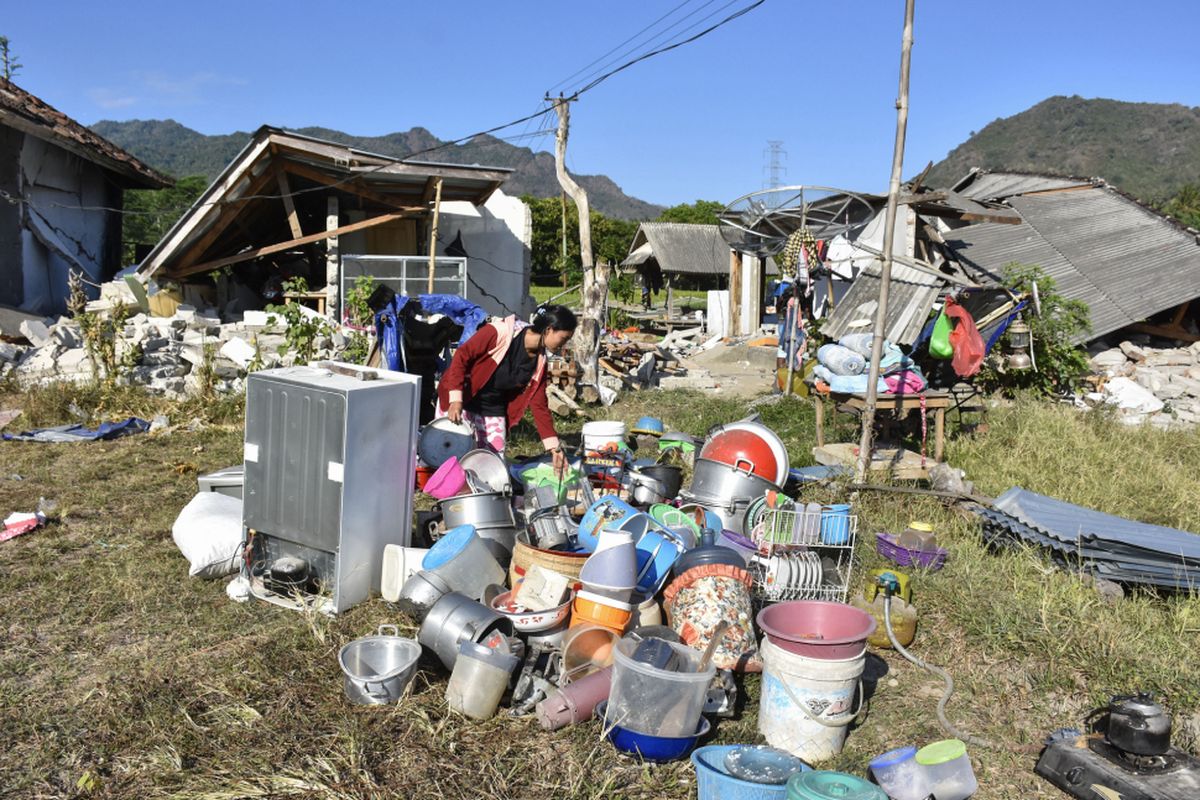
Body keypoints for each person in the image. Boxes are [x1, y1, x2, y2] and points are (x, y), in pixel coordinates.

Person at [437, 305, 577, 471]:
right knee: (450, 454)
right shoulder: (500, 332)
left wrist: (554, 448)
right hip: (462, 397)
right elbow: (462, 356)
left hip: (492, 406)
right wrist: (455, 399)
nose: (564, 345)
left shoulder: (540, 361)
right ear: (549, 329)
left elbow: (539, 405)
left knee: (493, 463)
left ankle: (482, 494)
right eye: (564, 338)